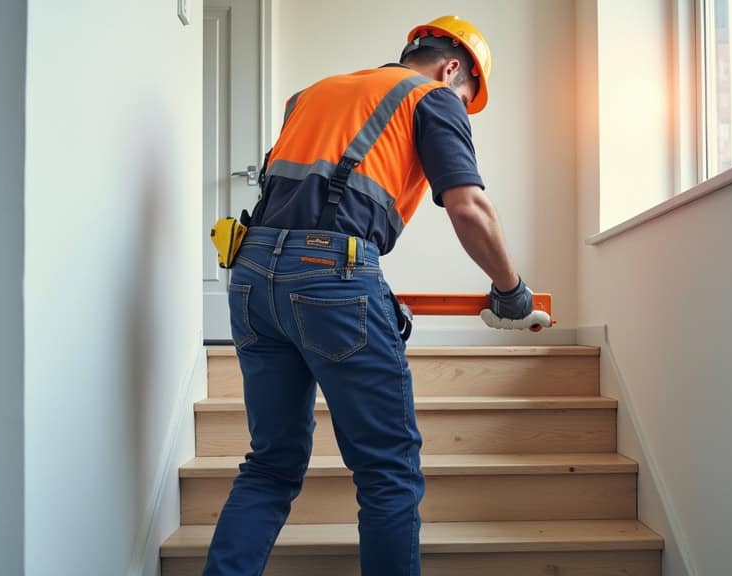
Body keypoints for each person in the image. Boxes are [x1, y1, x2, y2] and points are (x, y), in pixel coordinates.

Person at [203, 15, 549, 576]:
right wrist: (511, 293)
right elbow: (468, 207)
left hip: (250, 277)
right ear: (453, 67)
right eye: (465, 95)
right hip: (332, 279)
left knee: (270, 465)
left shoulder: (310, 95)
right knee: (388, 473)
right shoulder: (433, 97)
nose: (459, 103)